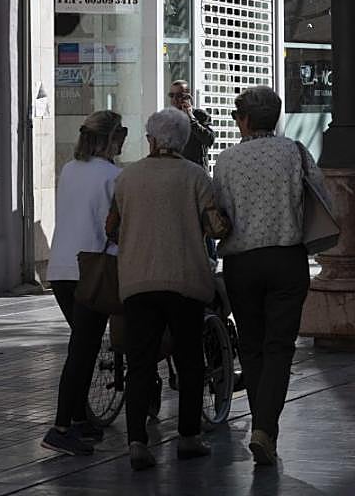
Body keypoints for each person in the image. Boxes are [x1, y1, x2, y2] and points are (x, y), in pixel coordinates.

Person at [107, 107, 221, 471]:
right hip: (186, 281)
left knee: (140, 364)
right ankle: (188, 437)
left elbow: (111, 227)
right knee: (190, 362)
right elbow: (217, 226)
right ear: (184, 140)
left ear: (152, 140)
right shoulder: (195, 176)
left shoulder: (127, 178)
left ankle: (138, 442)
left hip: (139, 282)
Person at [213, 86, 316, 467]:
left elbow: (219, 210)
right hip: (287, 258)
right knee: (279, 347)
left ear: (243, 120)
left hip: (242, 263)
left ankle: (263, 426)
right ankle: (264, 429)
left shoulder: (226, 160)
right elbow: (318, 194)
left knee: (251, 346)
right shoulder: (294, 151)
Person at [42, 112, 128, 456]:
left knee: (84, 344)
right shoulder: (115, 176)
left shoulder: (69, 169)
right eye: (120, 135)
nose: (122, 142)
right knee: (82, 349)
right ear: (110, 139)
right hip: (92, 268)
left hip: (61, 267)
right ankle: (60, 427)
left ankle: (79, 418)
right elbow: (116, 225)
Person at [168, 80, 216, 168]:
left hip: (197, 173)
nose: (174, 99)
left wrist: (191, 118)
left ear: (188, 97)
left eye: (179, 95)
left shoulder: (200, 115)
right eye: (171, 95)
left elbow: (210, 140)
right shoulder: (169, 119)